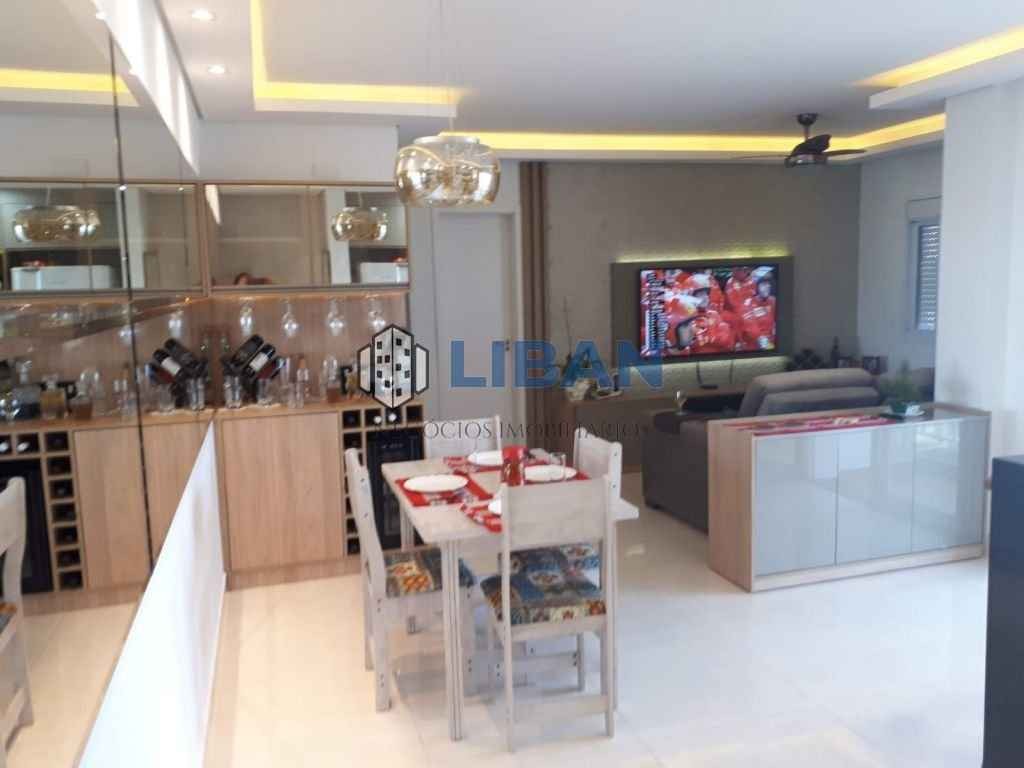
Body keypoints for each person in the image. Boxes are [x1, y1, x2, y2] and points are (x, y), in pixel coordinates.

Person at [739, 267, 777, 350]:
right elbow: (754, 332)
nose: (767, 287)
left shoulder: (773, 301)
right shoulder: (747, 305)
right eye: (763, 284)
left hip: (772, 343)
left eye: (769, 284)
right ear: (756, 286)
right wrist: (772, 348)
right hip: (755, 348)